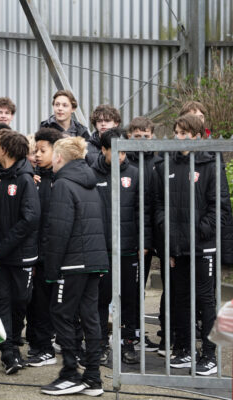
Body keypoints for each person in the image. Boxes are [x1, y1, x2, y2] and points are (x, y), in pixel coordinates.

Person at [150, 114, 230, 375]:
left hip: (202, 247)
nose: (179, 137)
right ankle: (184, 350)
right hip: (176, 247)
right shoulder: (166, 164)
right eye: (176, 132)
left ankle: (209, 355)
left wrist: (198, 232)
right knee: (180, 299)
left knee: (205, 300)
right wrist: (169, 236)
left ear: (196, 136)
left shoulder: (210, 163)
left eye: (184, 133)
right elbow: (160, 205)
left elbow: (219, 208)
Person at [41, 136, 107, 396]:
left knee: (61, 314)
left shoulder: (63, 184)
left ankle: (70, 373)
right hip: (93, 261)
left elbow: (58, 231)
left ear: (58, 157)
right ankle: (92, 376)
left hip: (71, 264)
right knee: (90, 316)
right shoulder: (90, 182)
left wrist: (51, 271)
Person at [0, 131, 40, 375]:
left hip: (18, 256)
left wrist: (2, 247)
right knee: (2, 300)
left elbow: (30, 219)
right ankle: (7, 352)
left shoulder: (25, 180)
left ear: (6, 150)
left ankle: (14, 345)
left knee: (19, 302)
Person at [89, 127, 141, 365]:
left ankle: (129, 342)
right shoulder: (92, 174)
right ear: (103, 150)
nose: (121, 156)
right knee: (101, 298)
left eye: (123, 152)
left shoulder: (136, 174)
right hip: (102, 250)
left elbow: (144, 211)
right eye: (115, 151)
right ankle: (99, 343)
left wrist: (144, 243)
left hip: (129, 249)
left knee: (130, 297)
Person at [25, 127, 64, 367]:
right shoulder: (33, 179)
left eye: (43, 150)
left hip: (57, 254)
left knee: (55, 305)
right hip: (37, 254)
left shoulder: (63, 180)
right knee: (36, 303)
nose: (37, 155)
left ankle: (48, 347)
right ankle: (40, 346)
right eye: (35, 151)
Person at [125, 116, 160, 352]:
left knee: (141, 286)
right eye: (137, 136)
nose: (141, 140)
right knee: (129, 287)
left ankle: (138, 332)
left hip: (152, 231)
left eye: (145, 136)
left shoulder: (159, 160)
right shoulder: (124, 161)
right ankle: (129, 333)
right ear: (129, 137)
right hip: (130, 233)